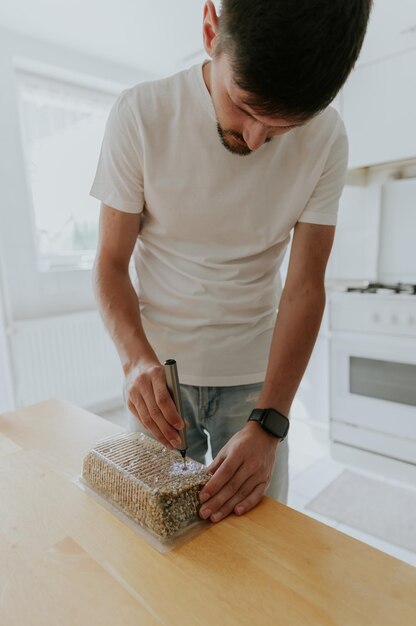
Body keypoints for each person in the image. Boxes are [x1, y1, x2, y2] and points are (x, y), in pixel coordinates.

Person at [90, 0, 372, 524]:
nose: (256, 139)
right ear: (210, 29)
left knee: (258, 556)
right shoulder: (141, 114)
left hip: (257, 385)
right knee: (150, 542)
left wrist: (270, 423)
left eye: (284, 126)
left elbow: (306, 288)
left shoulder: (328, 137)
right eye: (243, 105)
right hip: (160, 380)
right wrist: (134, 361)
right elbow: (109, 263)